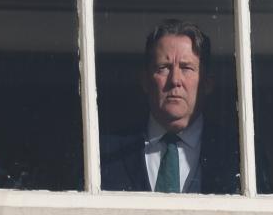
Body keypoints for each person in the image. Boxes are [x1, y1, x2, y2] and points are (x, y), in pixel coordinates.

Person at [100, 19, 242, 194]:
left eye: (186, 68)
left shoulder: (239, 155)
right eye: (164, 68)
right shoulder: (105, 153)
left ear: (207, 83)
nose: (175, 80)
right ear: (145, 80)